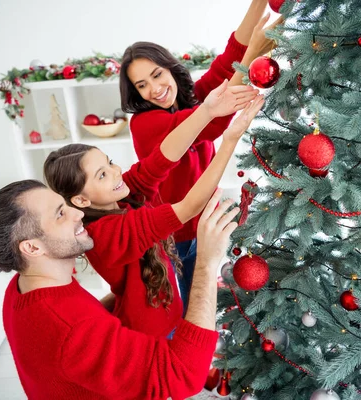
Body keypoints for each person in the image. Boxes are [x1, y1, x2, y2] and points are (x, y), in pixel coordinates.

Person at [0, 183, 238, 399]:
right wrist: (207, 261)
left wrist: (131, 297)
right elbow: (185, 375)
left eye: (64, 205)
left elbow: (83, 327)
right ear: (32, 247)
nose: (79, 212)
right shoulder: (71, 328)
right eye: (60, 214)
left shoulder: (23, 287)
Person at [43, 94, 264, 340]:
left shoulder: (119, 197)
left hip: (168, 318)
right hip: (151, 335)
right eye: (102, 175)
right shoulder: (107, 232)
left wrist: (206, 112)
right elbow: (189, 206)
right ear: (82, 200)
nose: (116, 172)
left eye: (110, 163)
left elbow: (161, 159)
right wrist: (229, 141)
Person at [119, 0, 282, 311]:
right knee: (198, 307)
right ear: (135, 93)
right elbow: (215, 118)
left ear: (169, 68)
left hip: (207, 221)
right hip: (176, 237)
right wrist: (252, 58)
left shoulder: (188, 100)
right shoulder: (145, 124)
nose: (154, 88)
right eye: (142, 85)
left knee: (219, 299)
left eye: (157, 75)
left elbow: (229, 59)